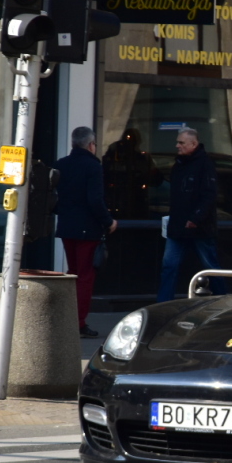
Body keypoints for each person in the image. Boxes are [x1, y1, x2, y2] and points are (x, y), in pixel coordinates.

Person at [53, 126, 116, 338]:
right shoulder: (93, 166)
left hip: (67, 227)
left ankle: (68, 318)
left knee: (72, 274)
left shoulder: (61, 165)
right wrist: (108, 221)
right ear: (91, 145)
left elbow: (53, 197)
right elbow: (95, 200)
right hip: (87, 229)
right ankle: (78, 323)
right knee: (85, 277)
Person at [158, 128, 224, 301]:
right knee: (169, 266)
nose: (177, 145)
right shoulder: (179, 164)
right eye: (178, 142)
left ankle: (224, 301)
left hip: (199, 226)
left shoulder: (204, 164)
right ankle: (162, 304)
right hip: (178, 225)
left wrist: (196, 218)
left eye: (181, 142)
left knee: (210, 266)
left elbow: (209, 195)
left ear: (193, 144)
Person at [103, 128, 162, 219]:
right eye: (126, 140)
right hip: (115, 202)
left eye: (132, 140)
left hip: (138, 202)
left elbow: (156, 180)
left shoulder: (142, 159)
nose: (128, 144)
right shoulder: (112, 159)